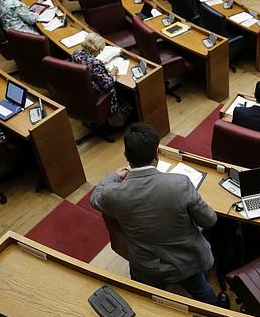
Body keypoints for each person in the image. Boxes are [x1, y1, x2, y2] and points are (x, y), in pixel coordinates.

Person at [90, 122, 227, 306]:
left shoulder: (113, 193)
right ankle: (218, 312)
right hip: (185, 261)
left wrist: (114, 175)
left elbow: (95, 197)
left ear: (126, 157)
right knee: (201, 289)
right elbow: (209, 220)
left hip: (146, 266)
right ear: (156, 155)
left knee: (146, 303)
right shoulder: (180, 184)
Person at [71, 32, 124, 120]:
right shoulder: (95, 64)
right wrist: (113, 74)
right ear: (93, 49)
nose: (100, 53)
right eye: (100, 50)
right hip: (96, 93)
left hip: (81, 91)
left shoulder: (76, 54)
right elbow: (108, 84)